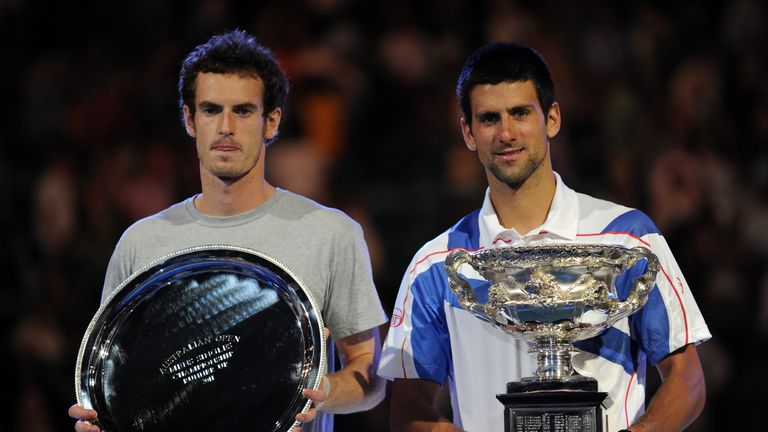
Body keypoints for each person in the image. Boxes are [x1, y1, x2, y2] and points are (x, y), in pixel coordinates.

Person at [378, 42, 710, 432]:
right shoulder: (435, 265)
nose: (506, 133)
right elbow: (409, 410)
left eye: (520, 113)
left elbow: (687, 380)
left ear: (551, 118)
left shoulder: (627, 237)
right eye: (488, 119)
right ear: (468, 132)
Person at [68, 30, 387, 432]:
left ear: (271, 121)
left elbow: (371, 377)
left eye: (243, 111)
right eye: (211, 109)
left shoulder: (331, 233)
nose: (225, 127)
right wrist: (100, 419)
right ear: (189, 118)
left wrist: (322, 389)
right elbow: (123, 379)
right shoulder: (140, 243)